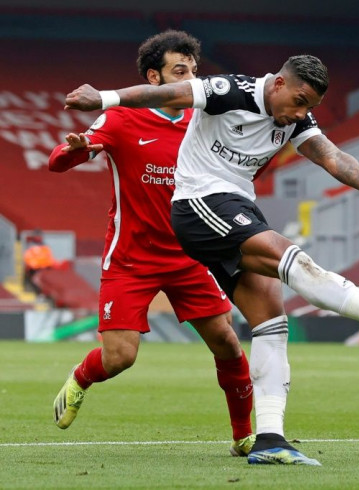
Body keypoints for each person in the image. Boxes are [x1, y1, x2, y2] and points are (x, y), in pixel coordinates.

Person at [63, 54, 359, 466]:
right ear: (277, 85)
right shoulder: (230, 91)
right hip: (199, 204)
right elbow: (168, 92)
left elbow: (331, 156)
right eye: (300, 101)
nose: (302, 113)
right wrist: (106, 98)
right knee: (294, 261)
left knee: (272, 321)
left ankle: (270, 438)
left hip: (237, 208)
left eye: (310, 107)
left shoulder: (295, 120)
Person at [48, 30, 259, 459]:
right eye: (180, 71)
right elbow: (57, 162)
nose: (190, 80)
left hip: (190, 254)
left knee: (228, 342)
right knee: (121, 357)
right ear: (153, 77)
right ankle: (80, 379)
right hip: (131, 258)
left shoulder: (204, 120)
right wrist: (78, 149)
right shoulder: (122, 117)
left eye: (194, 72)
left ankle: (243, 436)